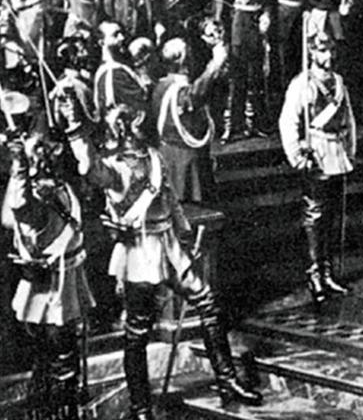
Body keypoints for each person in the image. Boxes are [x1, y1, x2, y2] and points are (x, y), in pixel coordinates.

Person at [65, 104, 262, 419]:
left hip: (169, 247)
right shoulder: (113, 167)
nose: (141, 124)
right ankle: (140, 407)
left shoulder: (155, 157)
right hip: (140, 254)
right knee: (137, 332)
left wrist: (184, 237)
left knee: (208, 303)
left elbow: (170, 199)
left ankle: (227, 382)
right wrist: (75, 129)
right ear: (122, 129)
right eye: (133, 122)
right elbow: (88, 167)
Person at [3, 128, 94, 419]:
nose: (50, 156)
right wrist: (19, 168)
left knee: (59, 354)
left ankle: (59, 409)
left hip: (67, 279)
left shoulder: (60, 187)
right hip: (48, 286)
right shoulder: (36, 194)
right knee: (55, 355)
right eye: (42, 152)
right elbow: (15, 209)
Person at [278, 31, 356, 304]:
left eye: (331, 50)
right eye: (322, 50)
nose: (329, 56)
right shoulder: (302, 84)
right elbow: (288, 121)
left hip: (337, 153)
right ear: (311, 52)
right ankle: (314, 274)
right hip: (317, 153)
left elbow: (348, 119)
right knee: (315, 216)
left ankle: (328, 272)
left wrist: (350, 151)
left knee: (332, 215)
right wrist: (297, 155)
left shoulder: (339, 82)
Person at [152, 37, 229, 209]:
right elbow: (196, 94)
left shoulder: (161, 85)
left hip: (169, 154)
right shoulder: (179, 90)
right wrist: (215, 64)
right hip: (185, 160)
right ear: (183, 60)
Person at [222, 0, 270, 140]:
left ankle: (256, 123)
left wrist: (266, 15)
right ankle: (234, 126)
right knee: (237, 79)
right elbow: (223, 8)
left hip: (256, 29)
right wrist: (224, 38)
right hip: (238, 29)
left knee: (256, 78)